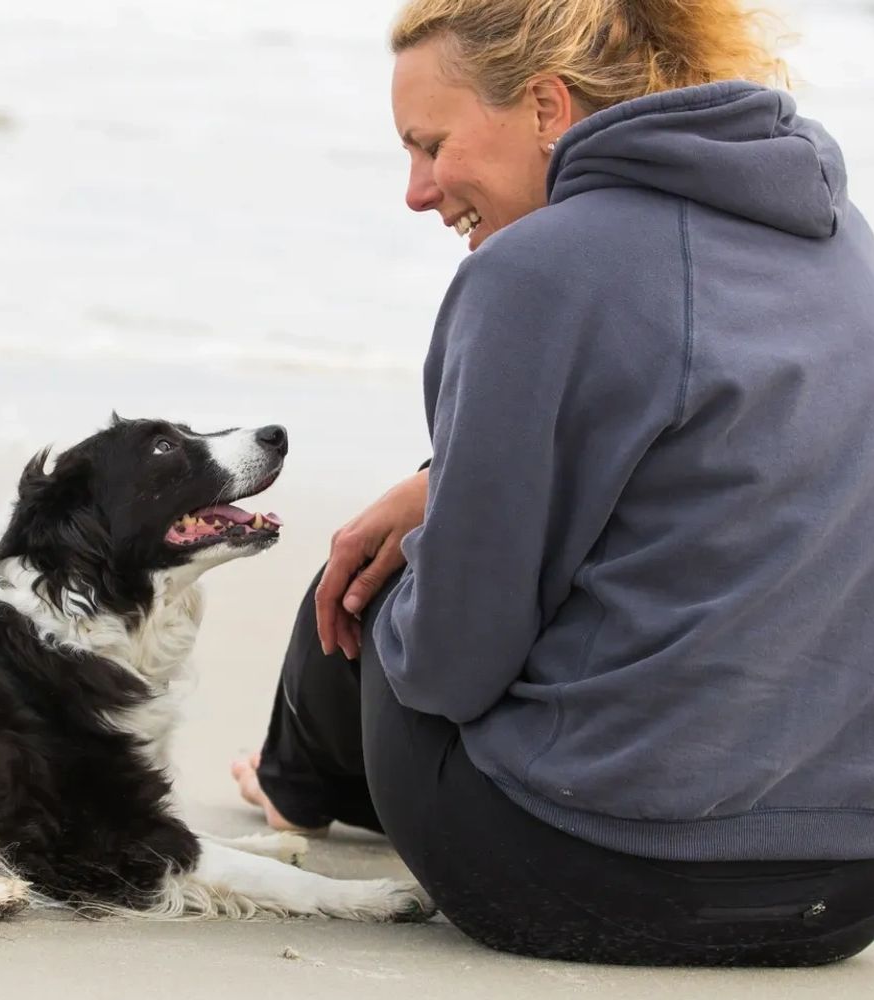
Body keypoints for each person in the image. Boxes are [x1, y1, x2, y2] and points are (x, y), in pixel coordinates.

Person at [231, 0, 874, 967]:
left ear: (544, 105)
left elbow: (453, 664)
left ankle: (299, 783)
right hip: (842, 889)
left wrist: (443, 513)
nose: (417, 190)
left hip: (577, 874)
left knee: (382, 569)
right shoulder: (847, 246)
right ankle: (307, 773)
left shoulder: (533, 273)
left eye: (430, 143)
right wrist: (445, 482)